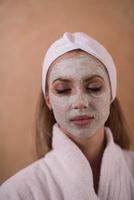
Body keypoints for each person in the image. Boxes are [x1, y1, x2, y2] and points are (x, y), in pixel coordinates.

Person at [0, 32, 134, 200]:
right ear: (49, 101)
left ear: (111, 93)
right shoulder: (16, 193)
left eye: (94, 87)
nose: (79, 102)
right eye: (63, 90)